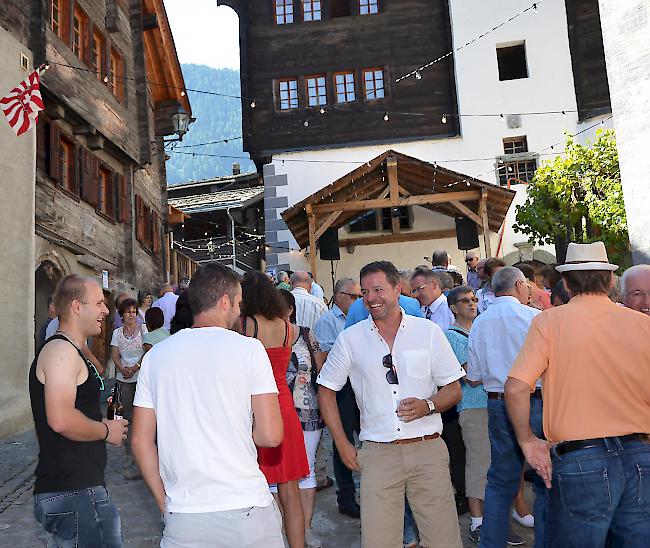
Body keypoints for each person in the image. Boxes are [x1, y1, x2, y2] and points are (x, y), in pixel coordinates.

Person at [505, 242, 650, 547]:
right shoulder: (642, 324)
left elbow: (517, 386)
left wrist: (528, 442)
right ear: (611, 281)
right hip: (640, 453)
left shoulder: (549, 322)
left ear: (567, 285)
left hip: (580, 458)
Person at [318, 261, 465, 548]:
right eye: (365, 292)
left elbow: (454, 389)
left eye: (378, 289)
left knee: (443, 540)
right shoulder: (350, 339)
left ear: (398, 289)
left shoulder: (428, 332)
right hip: (378, 454)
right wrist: (343, 444)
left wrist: (428, 405)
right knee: (378, 542)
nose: (371, 297)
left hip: (428, 451)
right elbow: (325, 390)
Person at [30, 275, 128, 547]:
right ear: (76, 306)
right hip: (74, 492)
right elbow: (60, 419)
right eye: (99, 303)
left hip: (77, 490)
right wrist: (107, 430)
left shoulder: (71, 350)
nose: (106, 311)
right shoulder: (61, 351)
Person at [466, 267, 545, 548]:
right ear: (519, 284)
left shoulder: (480, 322)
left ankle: (492, 543)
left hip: (498, 403)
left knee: (500, 478)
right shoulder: (534, 317)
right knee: (544, 475)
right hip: (534, 400)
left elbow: (473, 376)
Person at [240, 271, 309, 548]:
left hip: (255, 409)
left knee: (250, 487)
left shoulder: (244, 325)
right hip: (284, 407)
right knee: (290, 490)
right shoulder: (287, 327)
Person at [279, 289, 327, 548]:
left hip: (308, 409)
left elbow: (323, 369)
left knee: (306, 469)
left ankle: (305, 529)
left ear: (289, 310)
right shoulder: (263, 337)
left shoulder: (307, 334)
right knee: (278, 473)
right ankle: (283, 529)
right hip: (275, 413)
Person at [314, 278, 362, 519]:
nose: (357, 301)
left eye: (358, 296)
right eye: (353, 296)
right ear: (339, 296)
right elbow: (323, 359)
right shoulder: (327, 321)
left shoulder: (361, 317)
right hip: (341, 388)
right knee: (342, 440)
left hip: (360, 386)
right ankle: (346, 497)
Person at [444, 286, 487, 542]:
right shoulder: (452, 336)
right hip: (471, 405)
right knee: (478, 462)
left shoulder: (478, 330)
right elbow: (469, 376)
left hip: (488, 403)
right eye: (464, 301)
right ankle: (476, 521)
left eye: (474, 299)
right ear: (453, 308)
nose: (471, 304)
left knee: (490, 462)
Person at [110, 297, 147, 479]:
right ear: (122, 315)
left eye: (134, 311)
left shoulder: (143, 329)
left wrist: (135, 368)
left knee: (141, 415)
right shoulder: (117, 333)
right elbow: (115, 355)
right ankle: (128, 454)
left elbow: (147, 351)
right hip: (123, 379)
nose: (132, 315)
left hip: (140, 378)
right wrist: (122, 369)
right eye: (128, 312)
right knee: (126, 418)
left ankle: (142, 451)